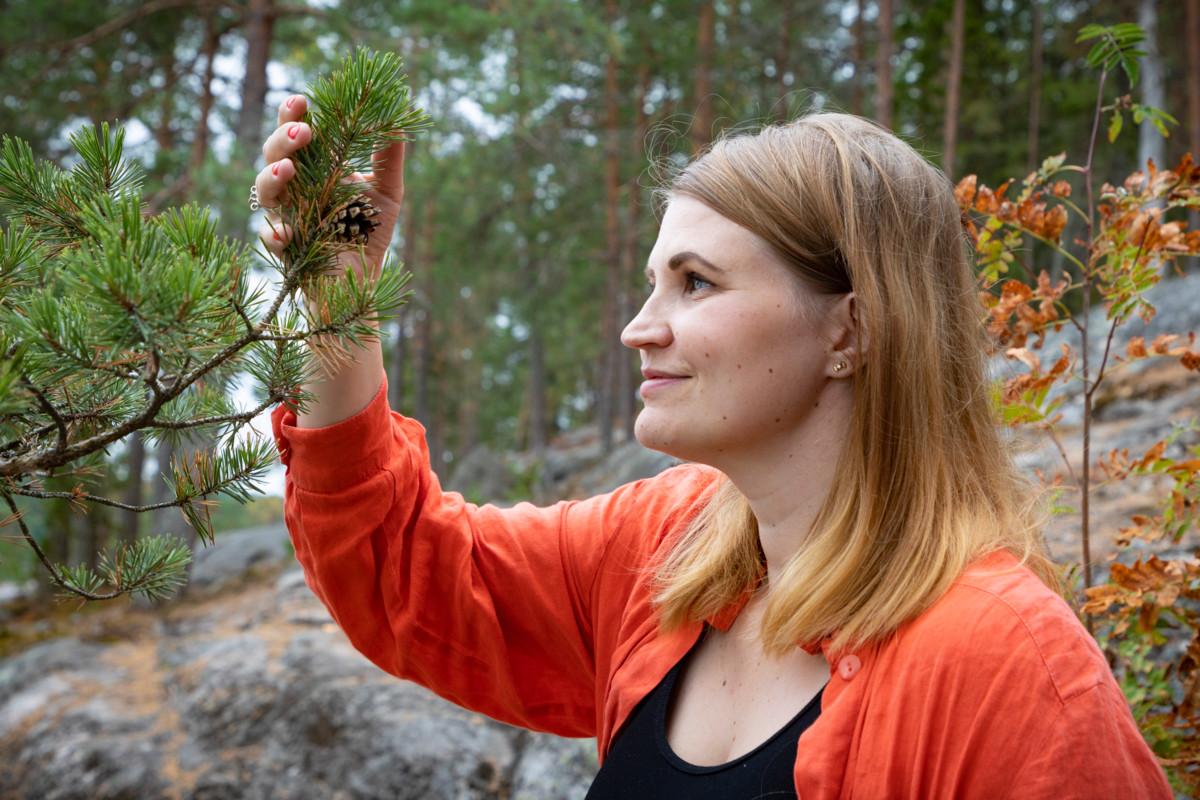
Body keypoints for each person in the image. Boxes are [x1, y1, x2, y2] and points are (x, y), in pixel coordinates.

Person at [256, 95, 1173, 798]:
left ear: (850, 329)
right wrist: (339, 291)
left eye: (695, 283)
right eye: (655, 282)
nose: (639, 329)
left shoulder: (1009, 670)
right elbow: (407, 571)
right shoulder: (671, 549)